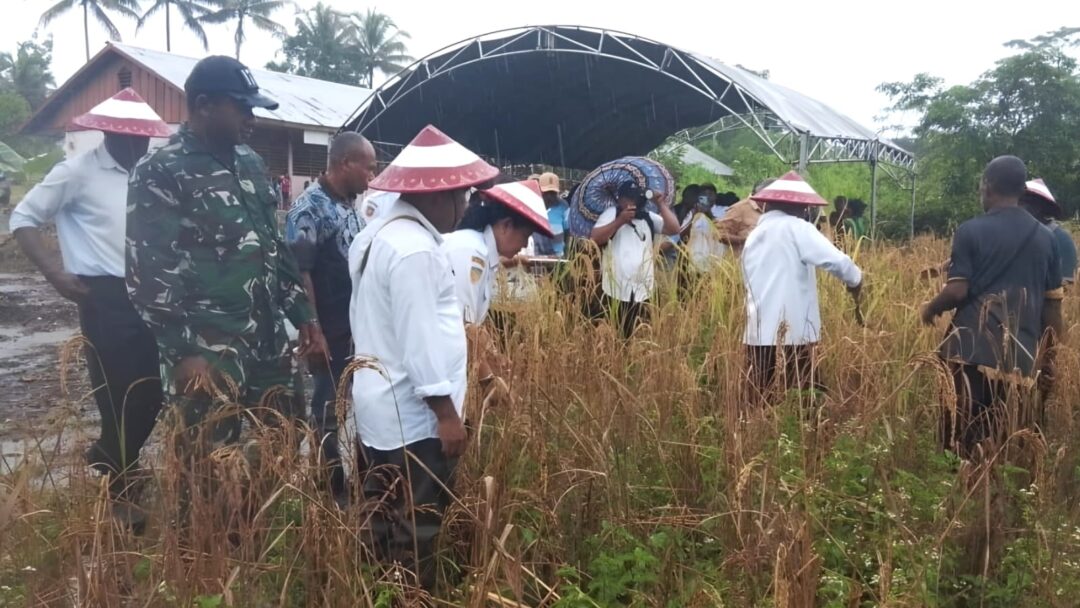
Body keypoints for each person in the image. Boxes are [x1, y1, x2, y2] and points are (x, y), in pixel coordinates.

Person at [127, 57, 326, 461]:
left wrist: (305, 317)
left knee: (286, 438)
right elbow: (148, 271)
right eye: (242, 108)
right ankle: (217, 525)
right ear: (204, 105)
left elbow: (273, 246)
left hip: (268, 341)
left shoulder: (250, 163)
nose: (250, 119)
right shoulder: (162, 170)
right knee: (206, 463)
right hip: (208, 346)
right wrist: (183, 352)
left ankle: (256, 518)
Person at [348, 124, 499, 590]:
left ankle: (379, 588)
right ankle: (413, 596)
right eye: (463, 197)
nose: (466, 207)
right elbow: (420, 340)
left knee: (381, 512)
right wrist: (446, 415)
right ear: (437, 197)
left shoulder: (378, 234)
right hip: (412, 418)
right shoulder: (414, 250)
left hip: (378, 405)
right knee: (419, 522)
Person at [9, 89, 168, 513]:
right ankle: (122, 493)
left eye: (145, 138)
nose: (139, 145)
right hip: (103, 295)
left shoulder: (147, 172)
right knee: (118, 393)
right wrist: (54, 272)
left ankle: (112, 458)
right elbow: (23, 217)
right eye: (132, 138)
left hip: (149, 293)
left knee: (154, 389)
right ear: (109, 134)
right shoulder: (76, 172)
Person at [921, 156, 1063, 457]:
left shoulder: (970, 230)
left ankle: (956, 496)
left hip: (968, 350)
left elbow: (957, 290)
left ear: (986, 186)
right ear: (1021, 192)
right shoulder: (1047, 240)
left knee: (956, 441)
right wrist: (1049, 357)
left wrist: (931, 308)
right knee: (999, 445)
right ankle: (990, 498)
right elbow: (1052, 308)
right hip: (1019, 359)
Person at [284, 132, 377, 501]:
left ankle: (355, 478)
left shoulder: (348, 204)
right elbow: (300, 271)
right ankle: (330, 489)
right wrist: (314, 331)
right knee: (327, 408)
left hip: (354, 324)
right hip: (329, 328)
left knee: (354, 404)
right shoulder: (310, 208)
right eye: (368, 168)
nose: (372, 176)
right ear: (345, 164)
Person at [741, 172, 862, 403]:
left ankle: (759, 437)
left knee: (761, 400)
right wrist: (856, 281)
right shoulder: (796, 227)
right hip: (792, 335)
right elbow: (839, 263)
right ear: (800, 207)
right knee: (805, 401)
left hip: (757, 334)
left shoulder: (754, 235)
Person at [590, 181, 680, 337]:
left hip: (643, 288)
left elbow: (674, 229)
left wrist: (661, 204)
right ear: (620, 199)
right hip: (615, 288)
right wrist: (620, 221)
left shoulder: (648, 217)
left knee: (641, 332)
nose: (632, 202)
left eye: (635, 198)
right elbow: (595, 238)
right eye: (627, 198)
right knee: (615, 331)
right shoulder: (611, 214)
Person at [1021, 178, 1076, 286]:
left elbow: (1066, 287)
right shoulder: (1018, 236)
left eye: (1021, 203)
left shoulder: (1061, 240)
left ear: (1038, 207)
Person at [716, 178, 775, 255]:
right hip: (741, 263)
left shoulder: (776, 211)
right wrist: (747, 240)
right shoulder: (740, 208)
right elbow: (720, 235)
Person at [532, 172, 569, 257]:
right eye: (546, 192)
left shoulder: (563, 206)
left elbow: (568, 233)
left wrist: (567, 255)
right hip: (536, 257)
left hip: (558, 257)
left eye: (553, 193)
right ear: (540, 190)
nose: (549, 196)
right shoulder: (533, 205)